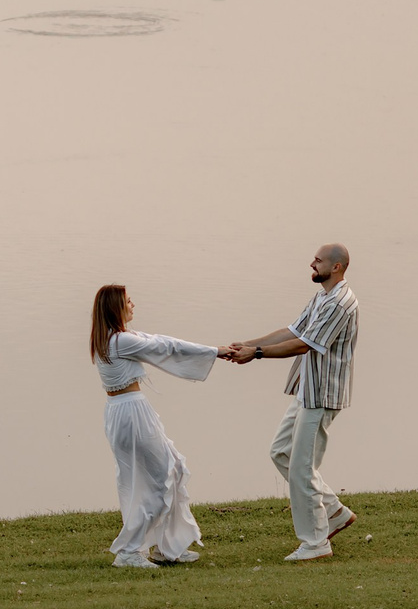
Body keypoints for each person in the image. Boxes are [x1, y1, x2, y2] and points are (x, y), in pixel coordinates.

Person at [221, 244, 360, 562]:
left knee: (301, 467)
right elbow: (293, 330)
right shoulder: (323, 296)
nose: (312, 263)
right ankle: (335, 512)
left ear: (336, 267)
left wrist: (255, 355)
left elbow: (303, 345)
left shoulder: (340, 302)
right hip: (307, 391)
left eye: (319, 260)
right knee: (281, 452)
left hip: (323, 394)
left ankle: (316, 542)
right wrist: (249, 343)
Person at [89, 284, 218, 569]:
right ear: (116, 308)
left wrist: (212, 351)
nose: (133, 304)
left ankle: (166, 546)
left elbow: (156, 339)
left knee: (173, 468)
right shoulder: (120, 341)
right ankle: (130, 552)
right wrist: (216, 352)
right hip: (131, 412)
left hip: (127, 411)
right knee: (159, 482)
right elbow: (166, 346)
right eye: (128, 301)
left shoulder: (115, 338)